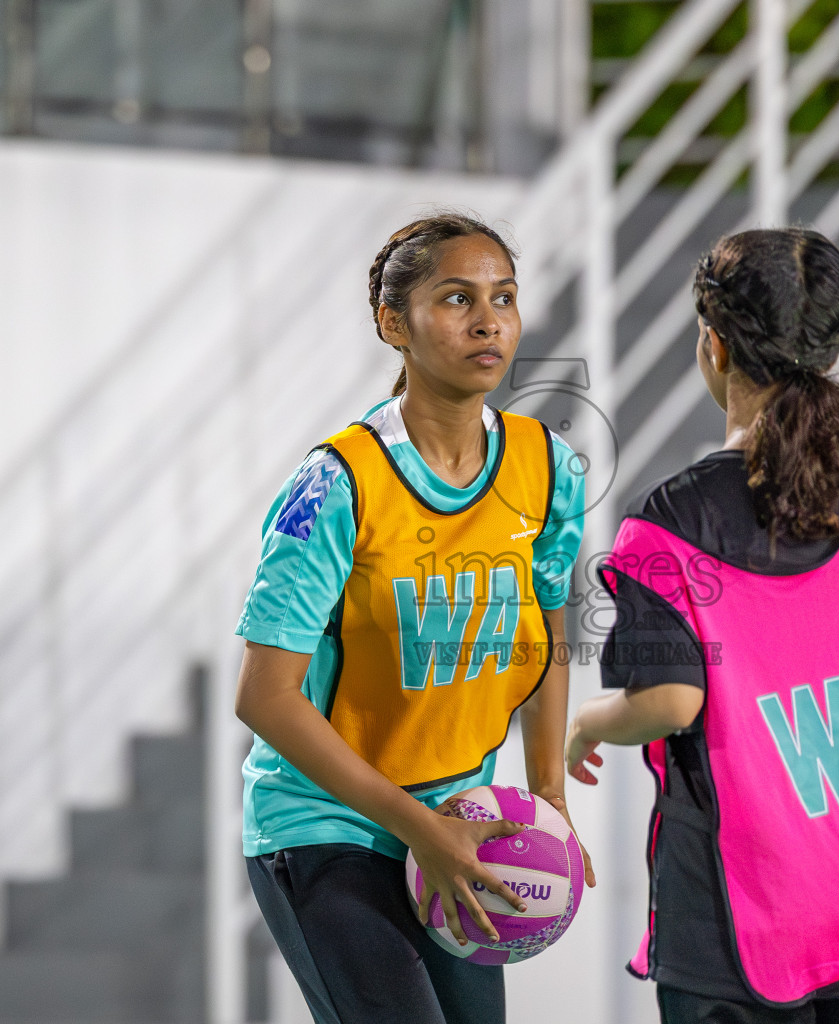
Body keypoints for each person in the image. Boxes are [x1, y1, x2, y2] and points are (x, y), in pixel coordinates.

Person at [565, 228, 839, 1024]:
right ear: (832, 351)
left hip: (734, 924)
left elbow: (668, 703)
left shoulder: (667, 524)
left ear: (714, 347)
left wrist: (587, 726)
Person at [234, 212, 591, 1024]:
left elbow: (546, 636)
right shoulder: (337, 484)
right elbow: (265, 698)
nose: (488, 320)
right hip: (329, 825)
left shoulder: (547, 468)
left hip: (462, 823)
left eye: (503, 297)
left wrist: (547, 798)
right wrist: (416, 827)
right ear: (394, 323)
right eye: (457, 298)